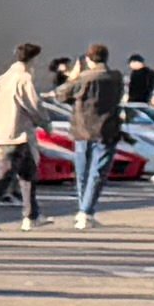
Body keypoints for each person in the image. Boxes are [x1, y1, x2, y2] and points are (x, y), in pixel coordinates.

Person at [0, 46, 48, 231]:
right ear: (32, 60)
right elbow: (33, 105)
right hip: (16, 135)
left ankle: (32, 215)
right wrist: (46, 122)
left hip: (1, 134)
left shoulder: (1, 79)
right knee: (2, 176)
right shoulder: (23, 79)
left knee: (27, 173)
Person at [64, 44, 117, 227]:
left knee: (82, 172)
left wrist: (73, 76)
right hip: (106, 130)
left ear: (88, 59)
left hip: (82, 129)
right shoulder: (115, 77)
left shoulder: (83, 78)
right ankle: (86, 211)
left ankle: (83, 210)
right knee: (97, 172)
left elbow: (62, 95)